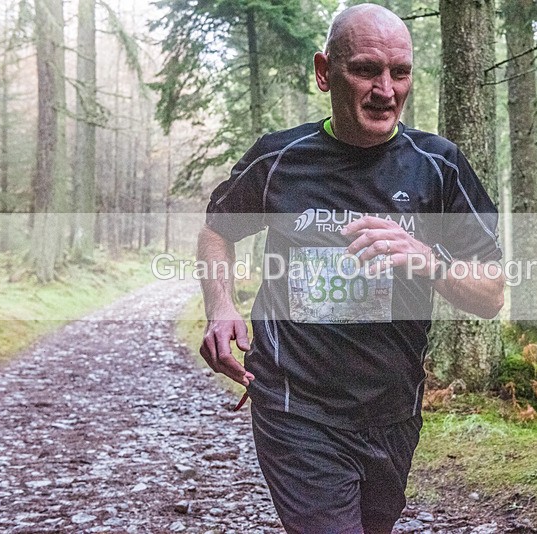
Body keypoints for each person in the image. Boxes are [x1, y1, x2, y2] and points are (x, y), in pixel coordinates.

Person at [197, 3, 505, 532]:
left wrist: (426, 261)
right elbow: (216, 231)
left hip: (392, 410)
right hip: (295, 405)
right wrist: (221, 307)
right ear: (325, 72)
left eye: (400, 72)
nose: (386, 90)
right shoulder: (280, 159)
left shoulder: (439, 166)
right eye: (366, 69)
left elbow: (493, 292)